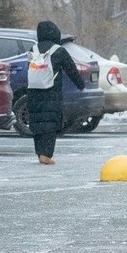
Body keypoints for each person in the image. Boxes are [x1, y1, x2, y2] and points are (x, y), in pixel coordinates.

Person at [27, 20, 85, 164]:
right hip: (51, 92)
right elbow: (71, 69)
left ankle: (40, 152)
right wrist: (80, 84)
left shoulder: (33, 49)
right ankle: (46, 154)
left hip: (34, 91)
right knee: (50, 122)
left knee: (37, 121)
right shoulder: (59, 50)